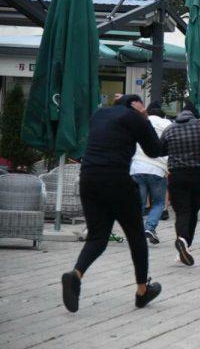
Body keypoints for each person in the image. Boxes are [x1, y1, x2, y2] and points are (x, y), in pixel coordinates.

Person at [61, 95, 162, 313]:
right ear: (136, 106)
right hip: (116, 179)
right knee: (136, 235)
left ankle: (76, 274)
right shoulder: (135, 118)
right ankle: (142, 290)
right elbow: (155, 150)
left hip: (88, 178)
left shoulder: (98, 114)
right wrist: (144, 118)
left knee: (98, 236)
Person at [160, 101, 200, 264]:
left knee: (181, 212)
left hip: (177, 176)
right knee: (193, 211)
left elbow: (160, 149)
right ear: (195, 115)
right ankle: (186, 243)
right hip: (197, 175)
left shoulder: (169, 129)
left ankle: (181, 239)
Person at [129, 101, 171, 244]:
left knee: (138, 203)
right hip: (158, 169)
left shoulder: (139, 123)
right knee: (159, 202)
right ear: (163, 115)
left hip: (137, 167)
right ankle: (150, 228)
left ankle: (135, 232)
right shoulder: (167, 124)